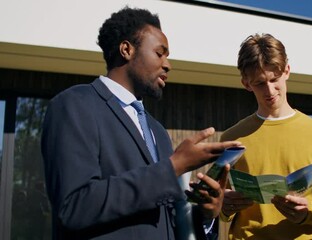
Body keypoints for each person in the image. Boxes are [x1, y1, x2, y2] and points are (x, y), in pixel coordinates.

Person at [41, 7, 241, 240]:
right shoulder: (75, 105)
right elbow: (75, 206)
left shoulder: (157, 131)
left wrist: (206, 214)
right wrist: (173, 167)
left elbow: (166, 219)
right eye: (160, 53)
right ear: (127, 50)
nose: (168, 65)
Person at [219, 33, 312, 239]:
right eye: (260, 83)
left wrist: (309, 212)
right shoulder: (232, 138)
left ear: (287, 70)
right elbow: (221, 208)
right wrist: (223, 206)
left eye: (274, 79)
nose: (270, 90)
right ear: (246, 83)